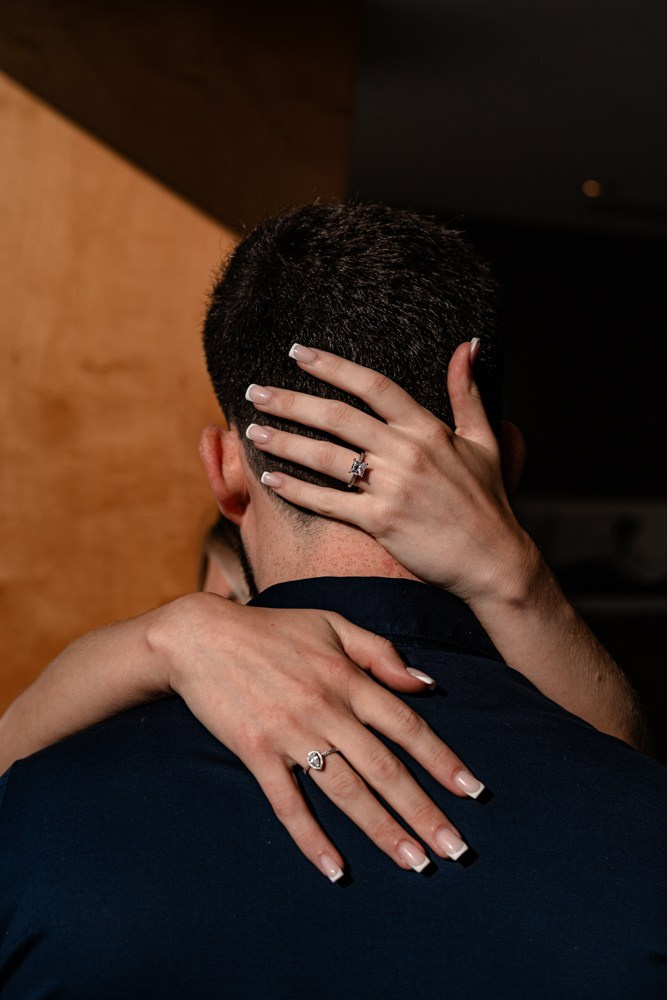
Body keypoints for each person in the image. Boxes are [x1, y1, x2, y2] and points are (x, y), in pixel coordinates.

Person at [0, 203, 664, 999]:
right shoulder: (640, 824)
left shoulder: (38, 816)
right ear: (508, 465)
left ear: (224, 470)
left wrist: (162, 637)